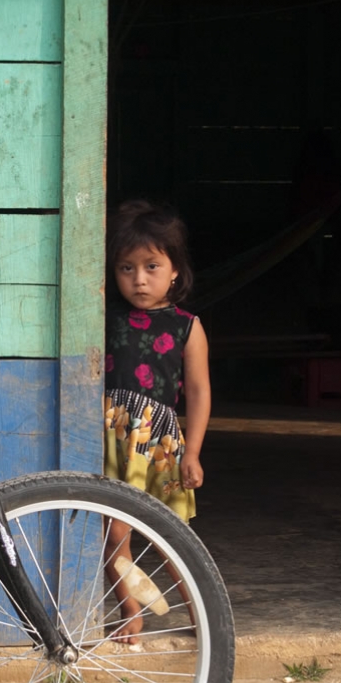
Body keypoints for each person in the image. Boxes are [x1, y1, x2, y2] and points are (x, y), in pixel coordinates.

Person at [103, 200, 211, 647]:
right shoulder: (105, 318)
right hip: (114, 436)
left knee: (172, 536)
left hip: (163, 441)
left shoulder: (188, 326)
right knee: (115, 533)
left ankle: (199, 611)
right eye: (127, 268)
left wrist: (195, 452)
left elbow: (200, 391)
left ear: (174, 271)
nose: (139, 279)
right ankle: (130, 610)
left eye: (151, 266)